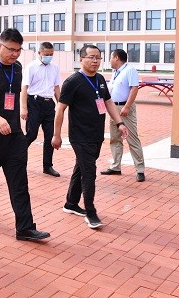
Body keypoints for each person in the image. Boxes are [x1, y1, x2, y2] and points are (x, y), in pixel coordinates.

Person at [0, 28, 50, 242]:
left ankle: (25, 227)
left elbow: (18, 93)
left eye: (18, 50)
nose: (15, 54)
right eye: (11, 49)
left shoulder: (18, 67)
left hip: (14, 135)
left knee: (19, 182)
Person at [51, 44, 128, 229]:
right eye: (91, 57)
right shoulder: (72, 82)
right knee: (89, 172)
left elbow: (108, 102)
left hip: (96, 134)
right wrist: (56, 135)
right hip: (80, 136)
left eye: (98, 58)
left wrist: (120, 123)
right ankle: (91, 212)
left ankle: (71, 203)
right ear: (81, 59)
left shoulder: (100, 79)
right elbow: (60, 109)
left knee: (81, 167)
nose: (95, 61)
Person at [100, 49, 146, 182]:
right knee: (115, 138)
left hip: (125, 108)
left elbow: (134, 88)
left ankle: (140, 169)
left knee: (132, 138)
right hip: (114, 108)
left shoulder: (130, 70)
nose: (109, 61)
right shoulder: (115, 72)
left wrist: (127, 106)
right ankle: (115, 166)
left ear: (116, 58)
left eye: (111, 58)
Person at [20, 42, 62, 177]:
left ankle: (47, 166)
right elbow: (24, 88)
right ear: (39, 53)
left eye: (51, 54)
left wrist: (61, 105)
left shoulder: (55, 67)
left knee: (50, 136)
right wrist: (24, 108)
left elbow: (56, 87)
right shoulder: (31, 67)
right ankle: (18, 159)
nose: (48, 57)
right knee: (31, 134)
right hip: (34, 103)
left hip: (49, 105)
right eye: (46, 54)